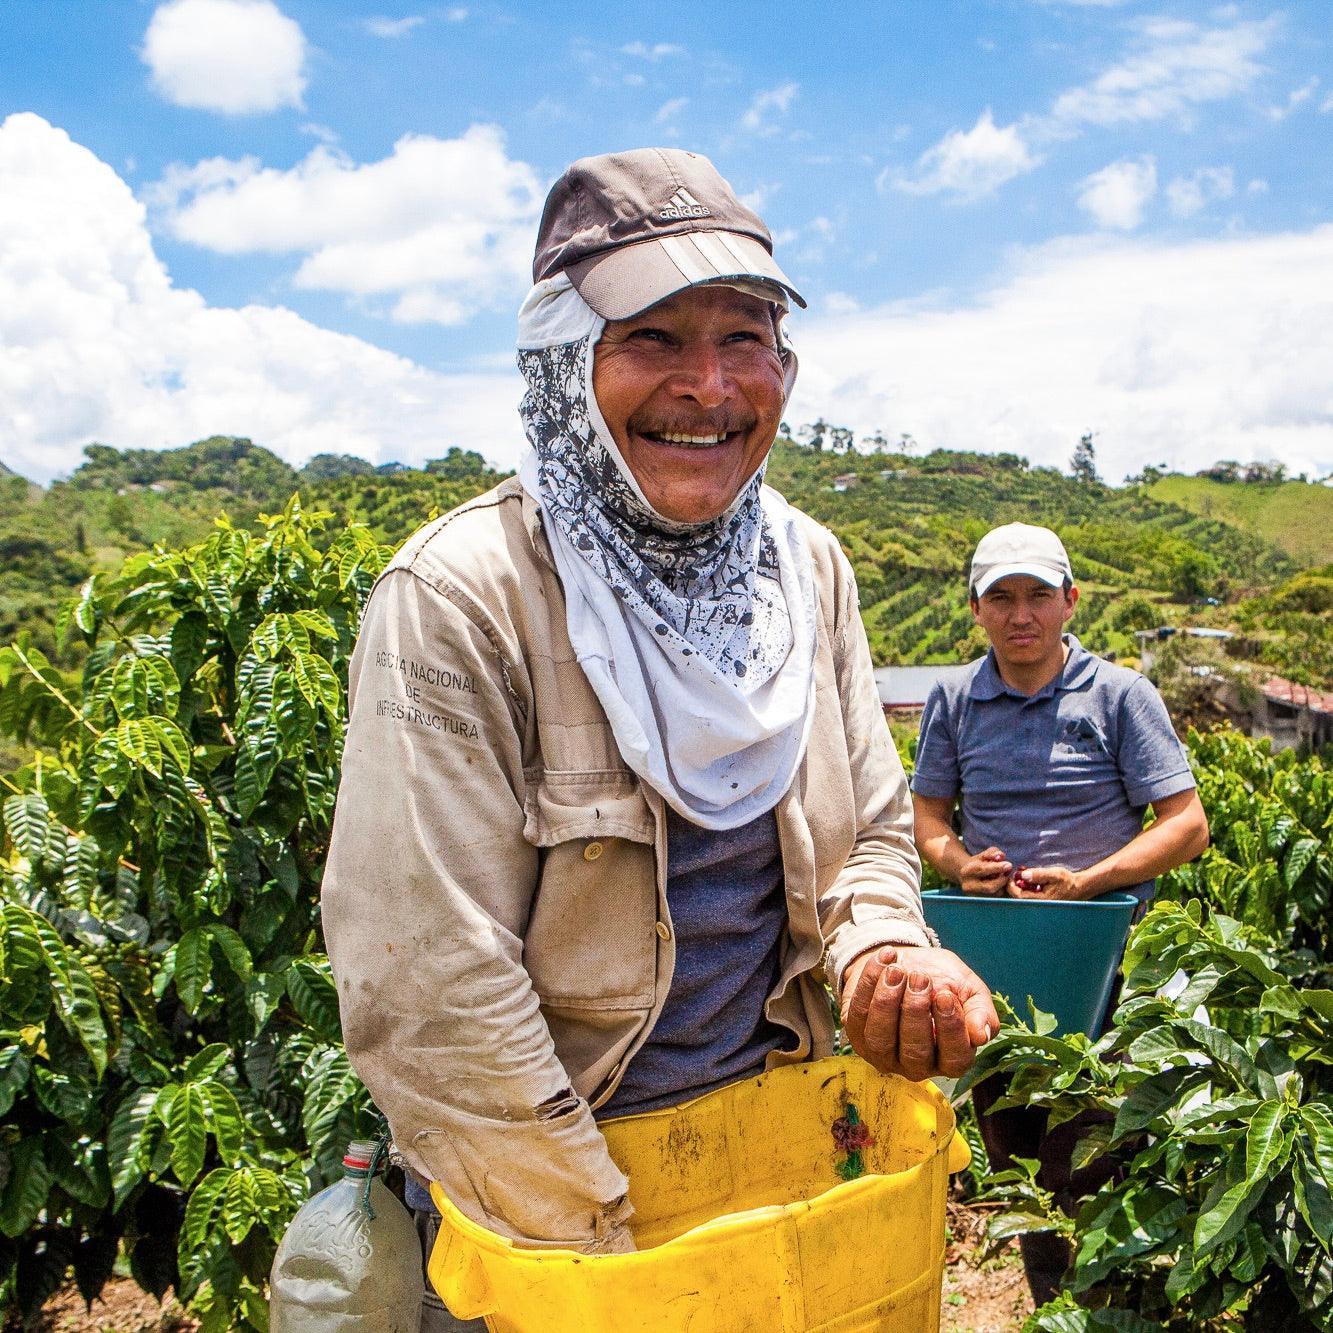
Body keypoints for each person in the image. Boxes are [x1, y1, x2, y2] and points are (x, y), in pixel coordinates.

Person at [321, 147, 999, 1330]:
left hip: (778, 1161)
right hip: (560, 1210)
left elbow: (871, 842)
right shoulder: (463, 595)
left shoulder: (806, 569)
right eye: (652, 339)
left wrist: (884, 951)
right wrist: (606, 1250)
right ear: (563, 366)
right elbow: (433, 990)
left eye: (743, 337)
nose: (708, 384)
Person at [910, 521, 1210, 1305]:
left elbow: (1186, 823)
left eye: (1037, 595)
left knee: (1091, 1141)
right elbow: (929, 819)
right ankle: (1053, 1299)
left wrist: (1090, 879)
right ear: (974, 609)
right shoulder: (951, 698)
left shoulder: (1119, 695)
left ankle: (1114, 1296)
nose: (1020, 615)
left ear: (1069, 600)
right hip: (1000, 958)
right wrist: (957, 866)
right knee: (1012, 1143)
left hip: (1101, 953)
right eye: (1000, 597)